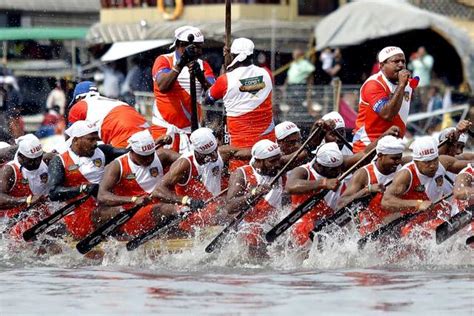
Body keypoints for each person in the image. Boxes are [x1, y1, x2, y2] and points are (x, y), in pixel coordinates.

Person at [154, 127, 251, 233]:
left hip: (216, 206)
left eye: (215, 151)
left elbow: (250, 153)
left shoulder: (221, 152)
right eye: (209, 154)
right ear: (198, 152)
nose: (215, 157)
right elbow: (158, 190)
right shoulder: (184, 164)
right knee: (230, 211)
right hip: (194, 213)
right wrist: (186, 201)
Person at [47, 121, 127, 239]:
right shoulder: (59, 161)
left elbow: (130, 153)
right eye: (91, 139)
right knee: (120, 211)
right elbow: (53, 193)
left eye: (96, 139)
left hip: (102, 206)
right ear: (76, 140)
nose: (95, 143)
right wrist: (82, 189)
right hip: (77, 214)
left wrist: (151, 145)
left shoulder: (103, 151)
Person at [206, 38, 275, 171]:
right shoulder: (266, 73)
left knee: (241, 179)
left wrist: (225, 68)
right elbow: (247, 84)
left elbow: (209, 99)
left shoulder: (225, 79)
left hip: (240, 146)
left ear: (232, 56)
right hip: (267, 142)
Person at [381, 136, 471, 237]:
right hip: (414, 222)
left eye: (434, 160)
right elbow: (386, 201)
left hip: (440, 212)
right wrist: (418, 204)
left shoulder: (443, 162)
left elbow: (469, 166)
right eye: (427, 162)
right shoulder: (406, 175)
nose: (433, 165)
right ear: (416, 161)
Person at [96, 130, 179, 237]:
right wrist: (133, 200)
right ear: (132, 151)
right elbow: (102, 196)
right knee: (169, 208)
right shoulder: (117, 165)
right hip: (134, 214)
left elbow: (187, 160)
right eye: (144, 156)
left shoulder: (162, 155)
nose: (149, 159)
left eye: (151, 154)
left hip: (159, 206)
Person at [152, 26, 215, 152]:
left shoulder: (204, 65)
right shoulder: (163, 60)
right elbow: (163, 86)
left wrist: (201, 77)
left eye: (200, 47)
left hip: (191, 131)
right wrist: (180, 64)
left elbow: (213, 94)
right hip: (164, 128)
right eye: (196, 47)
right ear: (182, 45)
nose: (199, 51)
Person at [225, 139, 283, 257]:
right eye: (272, 161)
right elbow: (230, 206)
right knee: (256, 235)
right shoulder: (241, 173)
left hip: (274, 224)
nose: (277, 164)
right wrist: (254, 193)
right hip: (248, 225)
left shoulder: (280, 167)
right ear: (258, 161)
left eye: (279, 160)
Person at [68, 81, 169, 148]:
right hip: (141, 124)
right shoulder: (110, 100)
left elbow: (72, 140)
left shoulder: (79, 106)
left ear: (79, 98)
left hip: (121, 128)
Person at [337, 136, 405, 235]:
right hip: (371, 230)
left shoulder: (403, 168)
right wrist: (367, 189)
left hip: (398, 223)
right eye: (394, 159)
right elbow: (341, 203)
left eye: (399, 158)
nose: (398, 162)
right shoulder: (363, 174)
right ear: (380, 156)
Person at [286, 142, 350, 246]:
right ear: (319, 165)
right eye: (332, 169)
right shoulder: (303, 171)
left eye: (339, 167)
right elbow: (289, 187)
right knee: (323, 228)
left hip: (328, 222)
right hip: (302, 223)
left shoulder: (337, 164)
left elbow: (364, 154)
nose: (338, 171)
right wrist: (324, 183)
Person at [353, 46, 413, 153]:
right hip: (367, 147)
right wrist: (401, 86)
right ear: (382, 66)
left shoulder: (406, 83)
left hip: (393, 147)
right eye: (395, 61)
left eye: (403, 61)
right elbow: (387, 115)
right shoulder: (373, 84)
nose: (401, 65)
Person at [0, 134, 49, 239]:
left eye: (38, 159)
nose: (35, 163)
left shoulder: (44, 158)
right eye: (31, 160)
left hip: (40, 213)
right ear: (20, 156)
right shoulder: (8, 170)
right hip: (15, 220)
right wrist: (27, 200)